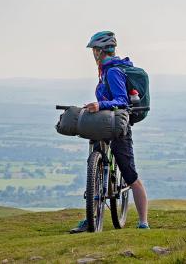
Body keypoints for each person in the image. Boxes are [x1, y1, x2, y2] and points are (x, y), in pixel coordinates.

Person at [70, 30, 150, 233]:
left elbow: (121, 100)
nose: (93, 54)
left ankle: (143, 222)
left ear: (100, 51)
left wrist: (100, 104)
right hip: (104, 125)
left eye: (94, 50)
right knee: (94, 166)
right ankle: (91, 218)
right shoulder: (104, 71)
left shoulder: (113, 71)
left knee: (130, 174)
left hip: (118, 127)